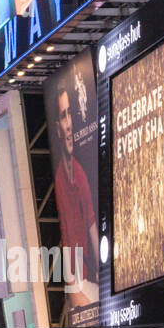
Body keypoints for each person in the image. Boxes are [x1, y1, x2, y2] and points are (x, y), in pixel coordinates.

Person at [49, 85, 100, 302]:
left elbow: (91, 227)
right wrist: (74, 290)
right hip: (74, 285)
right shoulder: (59, 179)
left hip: (87, 282)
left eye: (70, 114)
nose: (69, 124)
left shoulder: (79, 174)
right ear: (58, 128)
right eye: (63, 116)